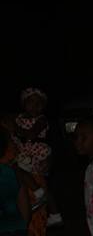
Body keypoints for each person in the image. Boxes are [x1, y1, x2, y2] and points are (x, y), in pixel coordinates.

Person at [15, 87, 62, 227]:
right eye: (31, 102)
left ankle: (39, 193)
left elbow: (31, 134)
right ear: (24, 104)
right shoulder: (18, 118)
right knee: (22, 173)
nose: (35, 106)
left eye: (39, 103)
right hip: (24, 152)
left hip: (36, 152)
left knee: (19, 170)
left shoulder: (41, 119)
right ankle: (54, 213)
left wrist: (15, 129)